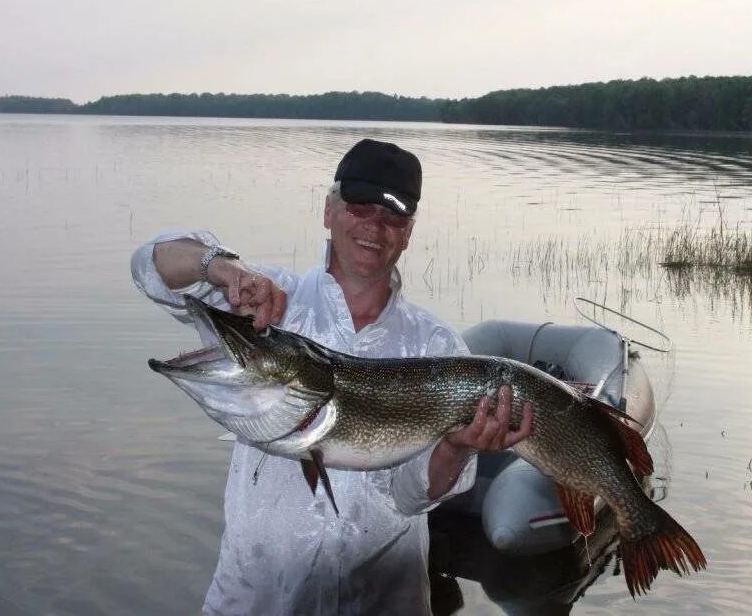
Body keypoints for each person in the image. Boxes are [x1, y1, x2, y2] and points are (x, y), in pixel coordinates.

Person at [131, 138, 533, 615]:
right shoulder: (263, 302)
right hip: (259, 599)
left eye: (393, 217)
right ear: (328, 211)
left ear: (408, 233)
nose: (374, 227)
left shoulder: (436, 348)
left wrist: (456, 446)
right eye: (359, 207)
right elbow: (150, 266)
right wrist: (223, 269)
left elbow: (411, 496)